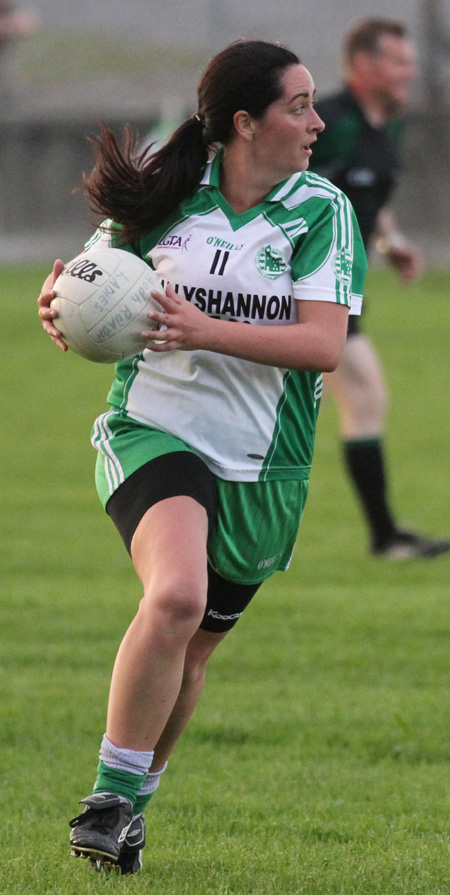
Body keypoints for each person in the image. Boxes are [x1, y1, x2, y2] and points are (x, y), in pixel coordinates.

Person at [38, 39, 366, 876]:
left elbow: (323, 345)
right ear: (246, 123)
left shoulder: (320, 211)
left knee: (191, 651)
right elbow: (94, 277)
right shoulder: (166, 191)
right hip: (154, 427)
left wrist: (204, 327)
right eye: (299, 105)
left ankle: (130, 811)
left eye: (313, 102)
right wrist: (61, 304)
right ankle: (109, 796)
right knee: (176, 594)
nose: (317, 121)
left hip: (263, 463)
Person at [310, 18, 449, 560]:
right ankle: (385, 537)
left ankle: (386, 535)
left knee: (364, 399)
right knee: (363, 397)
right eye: (398, 62)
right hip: (304, 288)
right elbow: (280, 185)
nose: (410, 72)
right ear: (363, 68)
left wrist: (392, 244)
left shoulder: (385, 127)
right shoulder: (330, 123)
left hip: (343, 288)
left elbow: (370, 201)